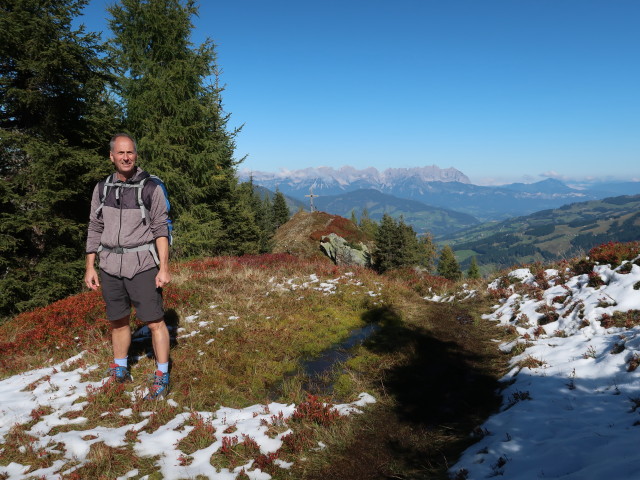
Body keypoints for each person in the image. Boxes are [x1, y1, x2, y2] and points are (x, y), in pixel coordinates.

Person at [85, 133, 172, 400]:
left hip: (143, 265)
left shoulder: (152, 187)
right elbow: (94, 226)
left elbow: (161, 228)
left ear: (136, 155)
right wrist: (90, 266)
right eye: (121, 153)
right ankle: (120, 369)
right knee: (118, 321)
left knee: (155, 321)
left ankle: (162, 375)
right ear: (111, 156)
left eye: (130, 153)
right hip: (110, 266)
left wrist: (164, 267)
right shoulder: (102, 188)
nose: (126, 157)